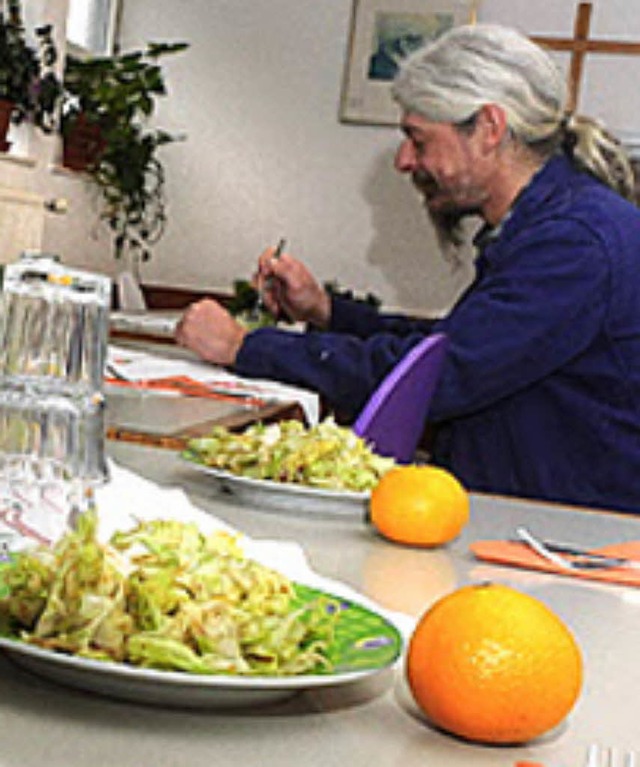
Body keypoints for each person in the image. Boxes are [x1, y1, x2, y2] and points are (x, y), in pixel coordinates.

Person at [176, 23, 640, 513]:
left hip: (566, 543)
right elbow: (457, 344)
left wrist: (244, 346)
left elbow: (437, 376)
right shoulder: (559, 224)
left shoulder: (573, 243)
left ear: (488, 129)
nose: (403, 160)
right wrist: (328, 311)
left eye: (418, 140)